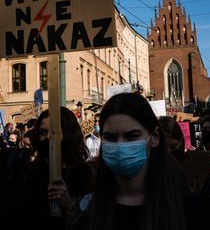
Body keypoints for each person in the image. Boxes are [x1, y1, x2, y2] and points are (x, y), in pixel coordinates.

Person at [64, 92, 188, 230]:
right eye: (110, 137)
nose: (120, 146)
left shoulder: (186, 205)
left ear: (154, 137)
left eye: (132, 136)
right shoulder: (87, 209)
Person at [8, 107, 94, 230]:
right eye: (43, 133)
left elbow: (91, 222)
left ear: (69, 133)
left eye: (54, 132)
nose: (48, 137)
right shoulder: (29, 172)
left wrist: (69, 205)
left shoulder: (85, 175)